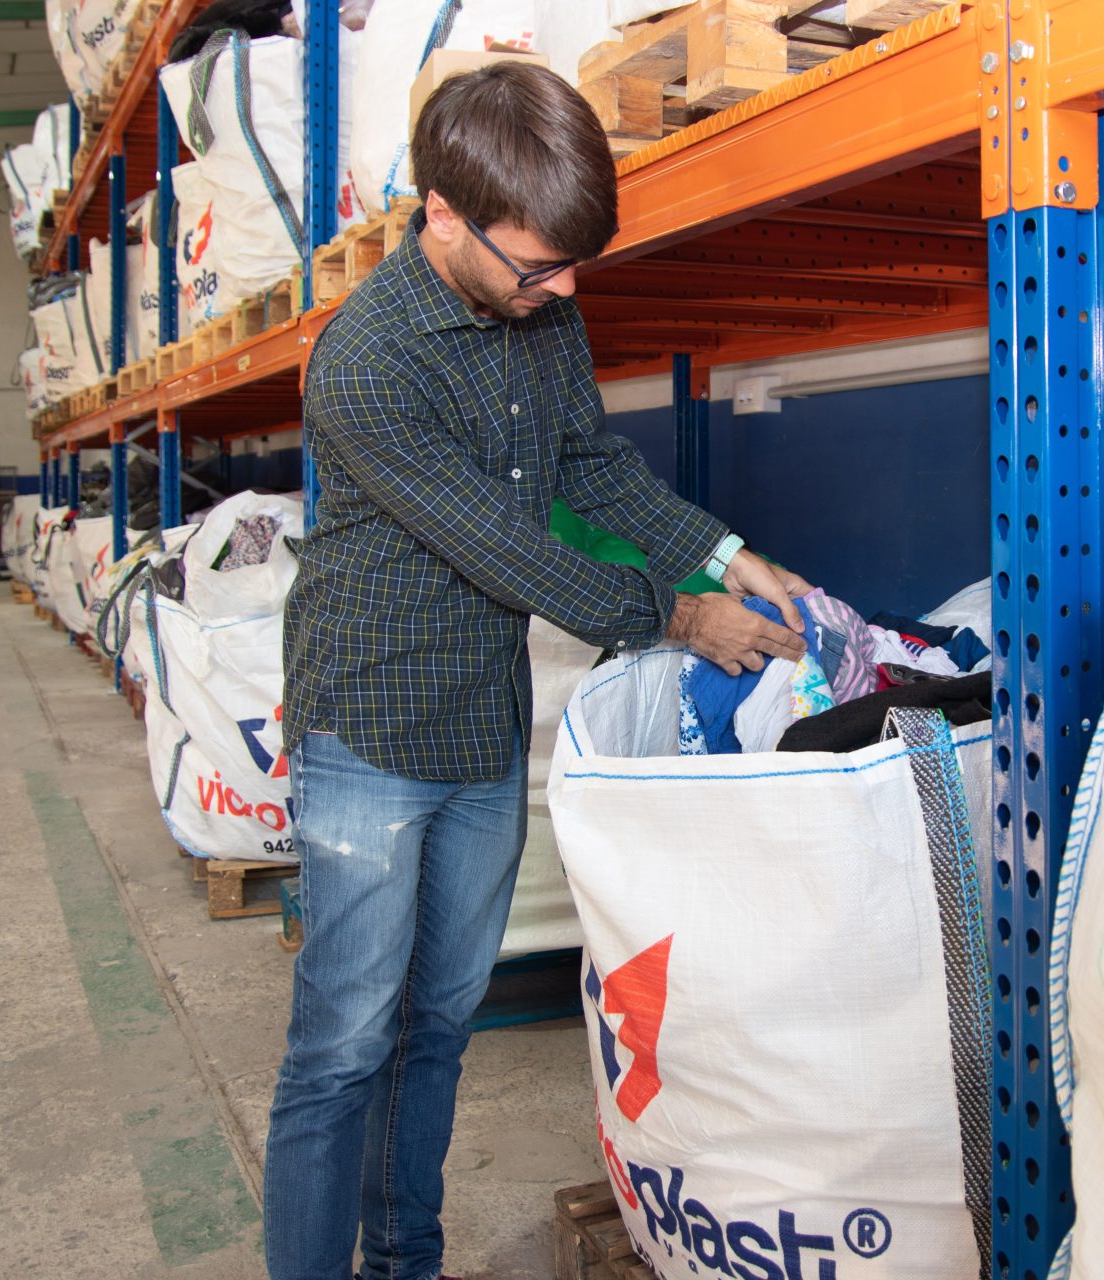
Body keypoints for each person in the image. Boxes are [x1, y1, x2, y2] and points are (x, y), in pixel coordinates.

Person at [263, 60, 809, 1280]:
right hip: (370, 723)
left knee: (440, 1024)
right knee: (343, 1041)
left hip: (479, 723)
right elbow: (510, 550)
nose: (563, 290)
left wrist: (726, 550)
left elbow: (590, 471)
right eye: (539, 265)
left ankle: (404, 1261)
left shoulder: (542, 309)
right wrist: (681, 616)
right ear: (443, 215)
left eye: (573, 267)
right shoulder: (365, 362)